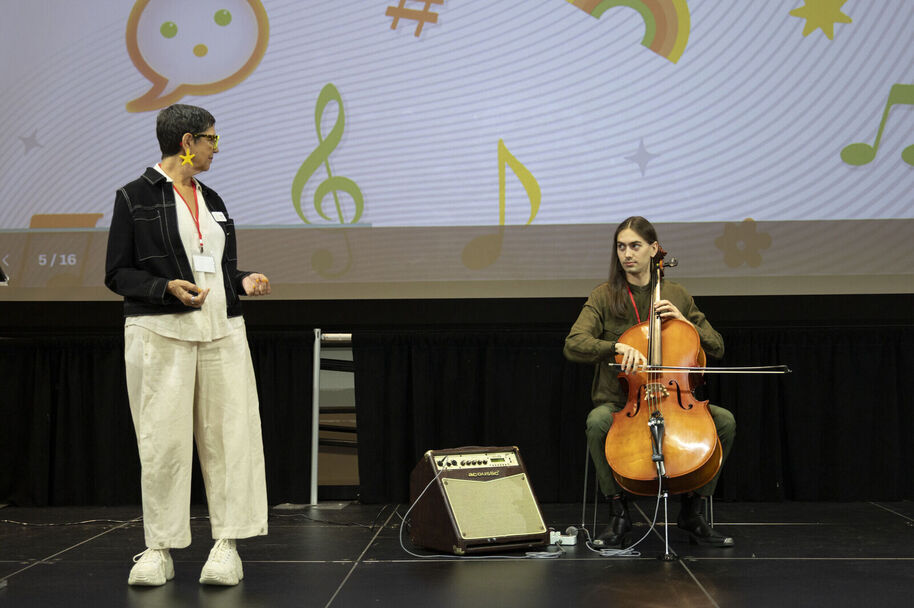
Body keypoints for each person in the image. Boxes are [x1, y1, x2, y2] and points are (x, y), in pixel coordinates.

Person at [105, 104, 272, 586]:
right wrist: (166, 289)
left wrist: (243, 280)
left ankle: (227, 546)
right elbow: (118, 273)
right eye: (212, 140)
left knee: (232, 440)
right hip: (160, 335)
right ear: (187, 142)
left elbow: (214, 270)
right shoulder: (133, 196)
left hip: (222, 332)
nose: (216, 149)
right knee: (163, 444)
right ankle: (158, 548)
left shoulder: (213, 197)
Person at [563, 216, 735, 547]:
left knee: (724, 422)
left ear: (654, 249)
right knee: (597, 421)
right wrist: (613, 346)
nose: (627, 254)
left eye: (635, 246)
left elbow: (717, 346)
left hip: (676, 400)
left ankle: (693, 509)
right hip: (622, 401)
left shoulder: (676, 295)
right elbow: (574, 343)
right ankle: (619, 511)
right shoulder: (604, 296)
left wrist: (687, 323)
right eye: (621, 246)